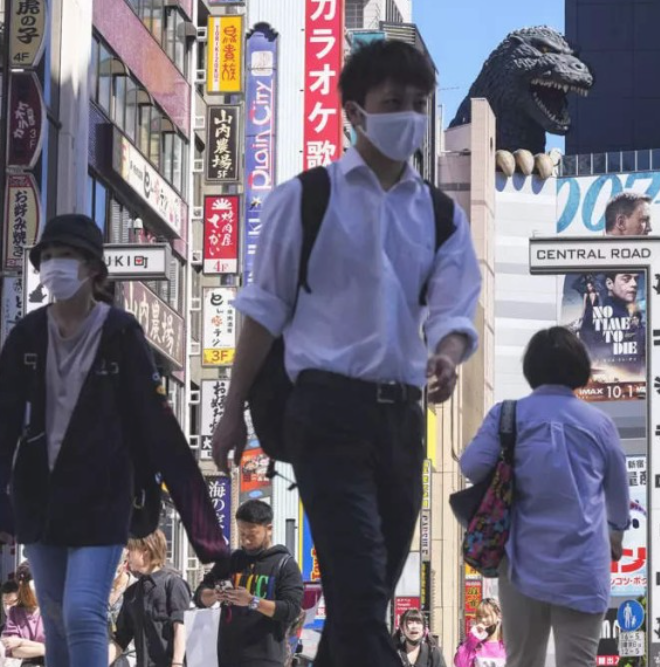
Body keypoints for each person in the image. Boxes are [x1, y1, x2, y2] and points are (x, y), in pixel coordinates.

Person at [208, 39, 481, 667]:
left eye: (419, 103)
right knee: (359, 592)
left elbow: (453, 308)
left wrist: (444, 354)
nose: (410, 116)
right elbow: (262, 312)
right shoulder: (303, 200)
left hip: (402, 418)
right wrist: (229, 412)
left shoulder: (440, 215)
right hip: (324, 412)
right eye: (394, 103)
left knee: (369, 596)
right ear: (355, 112)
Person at [0, 214, 228, 667]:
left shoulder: (120, 334)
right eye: (50, 256)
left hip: (103, 500)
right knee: (55, 615)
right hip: (39, 502)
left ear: (93, 269)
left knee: (82, 611)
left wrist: (208, 537)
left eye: (68, 256)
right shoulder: (27, 336)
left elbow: (161, 432)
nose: (56, 266)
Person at [459, 328, 630, 667]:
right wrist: (615, 535)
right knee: (577, 662)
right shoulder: (600, 424)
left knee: (523, 660)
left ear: (532, 367)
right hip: (583, 566)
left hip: (521, 561)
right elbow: (619, 496)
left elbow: (471, 466)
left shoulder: (507, 416)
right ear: (579, 368)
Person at [193, 500, 304, 667]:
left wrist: (253, 601)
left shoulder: (285, 565)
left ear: (269, 529)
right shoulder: (230, 561)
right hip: (227, 656)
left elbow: (290, 609)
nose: (245, 540)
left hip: (266, 657)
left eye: (251, 535)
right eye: (242, 534)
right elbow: (199, 596)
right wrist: (214, 595)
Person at [110, 531, 189, 667]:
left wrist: (177, 663)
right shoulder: (132, 593)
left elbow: (181, 627)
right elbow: (120, 639)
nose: (127, 555)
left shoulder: (173, 584)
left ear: (145, 551)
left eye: (131, 550)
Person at [0, 563, 45, 664]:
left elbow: (60, 647)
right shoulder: (15, 613)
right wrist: (44, 648)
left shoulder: (54, 610)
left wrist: (22, 642)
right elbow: (13, 650)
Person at [453, 599, 505, 667]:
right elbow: (460, 664)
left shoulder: (508, 646)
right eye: (479, 617)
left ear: (498, 616)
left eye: (486, 616)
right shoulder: (474, 645)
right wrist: (472, 642)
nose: (482, 620)